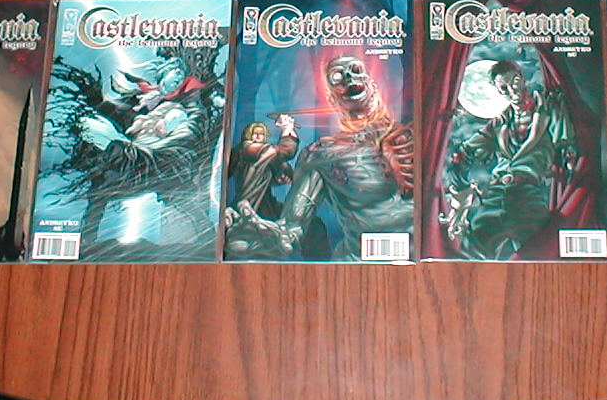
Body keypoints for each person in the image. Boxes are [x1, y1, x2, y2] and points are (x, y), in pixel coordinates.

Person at [224, 55, 414, 261]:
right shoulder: (322, 155)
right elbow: (290, 231)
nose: (349, 78)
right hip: (359, 264)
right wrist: (261, 236)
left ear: (372, 84)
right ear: (332, 99)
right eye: (338, 77)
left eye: (356, 70)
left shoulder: (420, 136)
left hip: (422, 260)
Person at [448, 59, 574, 259]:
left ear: (521, 78)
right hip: (496, 195)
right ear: (498, 91)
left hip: (527, 195)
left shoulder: (549, 108)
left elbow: (567, 146)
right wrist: (461, 187)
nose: (511, 90)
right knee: (471, 252)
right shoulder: (500, 122)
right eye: (504, 88)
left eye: (513, 82)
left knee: (541, 253)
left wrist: (571, 174)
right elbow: (467, 151)